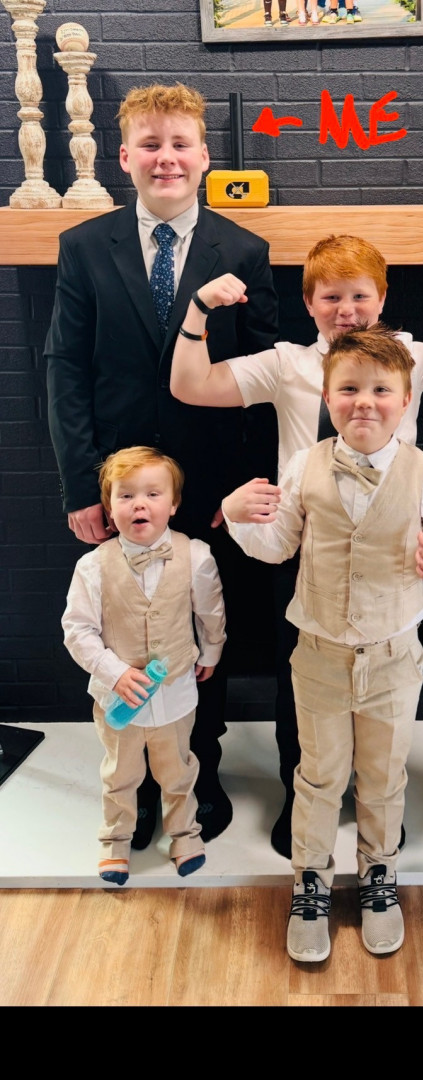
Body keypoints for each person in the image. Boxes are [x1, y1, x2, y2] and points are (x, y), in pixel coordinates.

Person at [169, 232, 423, 859]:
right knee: (300, 684)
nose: (347, 310)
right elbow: (190, 386)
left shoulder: (407, 357)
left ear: (381, 298)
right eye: (331, 297)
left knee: (385, 685)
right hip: (299, 541)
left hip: (389, 547)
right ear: (309, 302)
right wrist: (197, 309)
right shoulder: (287, 363)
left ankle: (375, 804)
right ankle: (302, 795)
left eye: (359, 296)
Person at [45, 83, 279, 850]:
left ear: (204, 156)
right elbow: (64, 370)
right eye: (150, 145)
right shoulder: (85, 247)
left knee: (196, 628)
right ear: (124, 158)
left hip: (209, 487)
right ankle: (137, 781)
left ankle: (198, 771)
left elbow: (263, 380)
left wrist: (243, 488)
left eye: (180, 144)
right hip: (121, 489)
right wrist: (82, 485)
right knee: (125, 630)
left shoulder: (243, 251)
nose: (166, 158)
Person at [222, 322, 423, 960]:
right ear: (327, 397)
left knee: (385, 776)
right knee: (317, 775)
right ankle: (310, 880)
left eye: (381, 390)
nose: (364, 402)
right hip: (318, 652)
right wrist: (235, 517)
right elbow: (278, 545)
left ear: (406, 399)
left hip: (394, 653)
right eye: (349, 389)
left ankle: (378, 874)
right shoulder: (303, 464)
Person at [61, 447, 226, 887]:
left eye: (153, 494)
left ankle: (185, 834)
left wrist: (210, 653)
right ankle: (115, 841)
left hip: (175, 693)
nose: (140, 504)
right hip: (117, 701)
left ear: (173, 504)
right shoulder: (92, 566)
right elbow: (77, 630)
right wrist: (114, 672)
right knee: (120, 774)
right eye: (126, 495)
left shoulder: (197, 556)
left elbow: (210, 613)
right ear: (109, 508)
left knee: (179, 771)